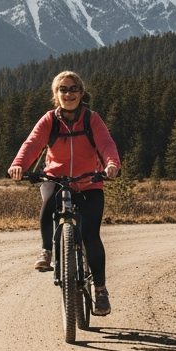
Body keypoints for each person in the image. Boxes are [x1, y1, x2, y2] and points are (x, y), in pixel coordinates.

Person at [8, 70, 121, 316]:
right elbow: (32, 143)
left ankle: (100, 290)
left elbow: (106, 144)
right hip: (56, 178)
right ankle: (47, 250)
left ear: (81, 93)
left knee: (91, 236)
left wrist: (112, 164)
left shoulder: (92, 120)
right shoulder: (50, 119)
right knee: (49, 202)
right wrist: (19, 164)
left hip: (89, 182)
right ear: (56, 94)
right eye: (63, 89)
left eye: (73, 89)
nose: (68, 94)